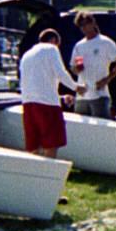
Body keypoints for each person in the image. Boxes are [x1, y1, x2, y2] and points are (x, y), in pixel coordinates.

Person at [19, 28, 84, 203]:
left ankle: (33, 188)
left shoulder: (27, 54)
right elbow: (60, 73)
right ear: (54, 40)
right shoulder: (51, 49)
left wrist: (61, 97)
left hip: (28, 104)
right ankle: (48, 190)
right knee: (51, 145)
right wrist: (77, 87)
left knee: (34, 147)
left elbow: (38, 81)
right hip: (47, 105)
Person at [69, 11, 116, 119]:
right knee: (82, 130)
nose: (84, 28)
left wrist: (107, 79)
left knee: (101, 130)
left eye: (86, 24)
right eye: (81, 25)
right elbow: (73, 67)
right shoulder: (79, 45)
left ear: (93, 23)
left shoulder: (104, 42)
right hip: (82, 96)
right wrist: (76, 69)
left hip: (99, 94)